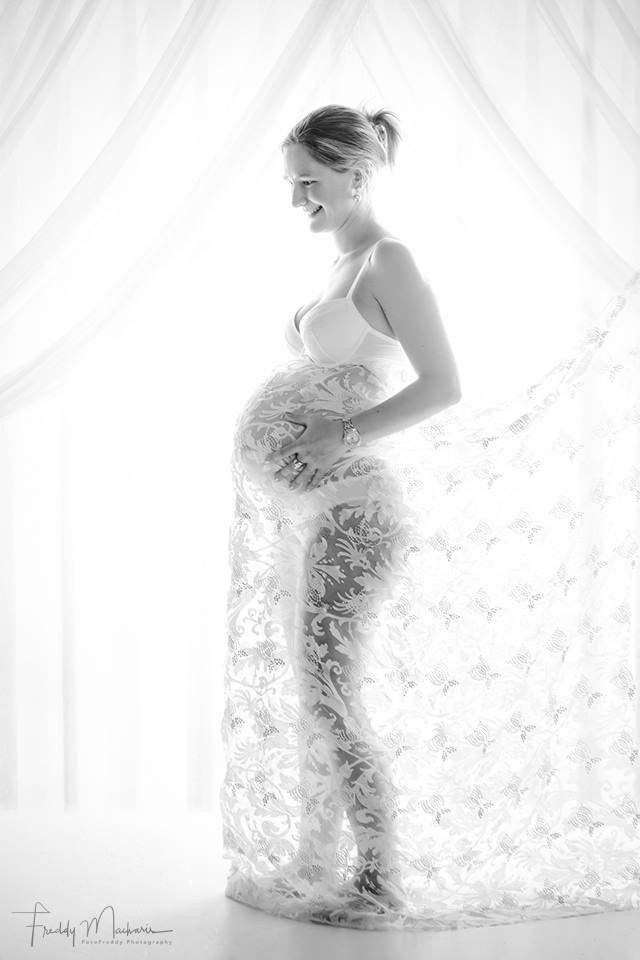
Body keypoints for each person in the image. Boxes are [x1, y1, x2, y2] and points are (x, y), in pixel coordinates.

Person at [220, 103, 462, 928]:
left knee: (331, 694)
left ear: (357, 174)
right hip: (321, 514)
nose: (297, 199)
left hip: (360, 516)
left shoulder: (389, 259)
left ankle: (380, 878)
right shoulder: (341, 263)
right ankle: (317, 860)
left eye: (309, 182)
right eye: (292, 183)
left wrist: (337, 435)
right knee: (314, 690)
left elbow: (443, 385)